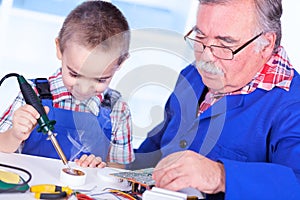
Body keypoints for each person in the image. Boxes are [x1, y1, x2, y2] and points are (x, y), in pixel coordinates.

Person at [129, 0, 300, 199]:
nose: (206, 57)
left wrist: (220, 176)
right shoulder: (191, 76)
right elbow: (156, 147)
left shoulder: (292, 107)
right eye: (200, 37)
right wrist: (116, 162)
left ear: (266, 44)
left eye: (225, 43)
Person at [0, 1, 134, 169]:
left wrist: (101, 169)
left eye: (100, 80)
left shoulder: (118, 110)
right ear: (59, 48)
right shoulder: (33, 95)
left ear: (120, 63)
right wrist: (14, 134)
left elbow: (117, 172)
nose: (84, 88)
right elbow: (2, 147)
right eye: (75, 74)